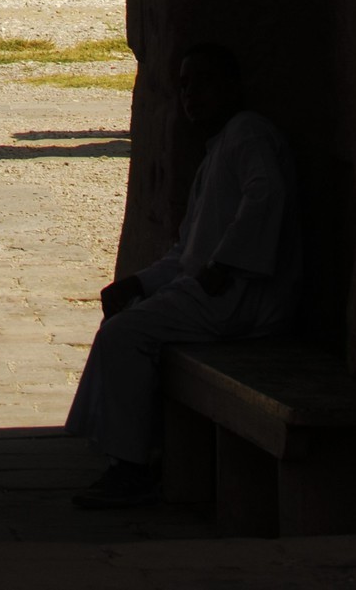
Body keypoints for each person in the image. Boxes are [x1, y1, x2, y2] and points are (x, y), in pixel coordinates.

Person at [66, 43, 300, 510]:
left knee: (125, 336)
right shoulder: (219, 151)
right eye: (186, 86)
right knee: (124, 313)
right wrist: (141, 282)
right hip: (217, 290)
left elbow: (266, 195)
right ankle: (130, 448)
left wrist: (226, 264)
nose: (193, 96)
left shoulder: (247, 135)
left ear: (233, 87)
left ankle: (131, 467)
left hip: (240, 296)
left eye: (205, 84)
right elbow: (187, 252)